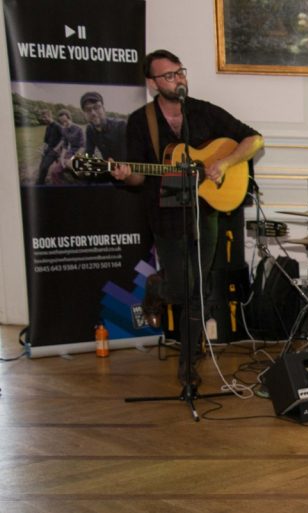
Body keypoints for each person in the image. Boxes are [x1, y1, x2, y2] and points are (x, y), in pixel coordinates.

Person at [112, 49, 263, 386]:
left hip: (205, 212)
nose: (178, 79)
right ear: (152, 83)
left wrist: (223, 164)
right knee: (181, 289)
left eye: (180, 72)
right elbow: (137, 176)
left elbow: (254, 139)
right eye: (169, 75)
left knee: (200, 287)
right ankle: (160, 284)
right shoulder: (142, 121)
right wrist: (125, 174)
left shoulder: (203, 112)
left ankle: (188, 363)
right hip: (165, 214)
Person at [80, 91, 128, 161]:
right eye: (88, 110)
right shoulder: (90, 129)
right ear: (84, 114)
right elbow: (89, 153)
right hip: (108, 168)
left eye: (96, 107)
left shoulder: (121, 126)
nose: (93, 113)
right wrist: (82, 159)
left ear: (103, 109)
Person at [49, 109, 85, 185]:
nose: (64, 124)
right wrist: (62, 158)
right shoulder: (64, 130)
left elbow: (82, 146)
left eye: (65, 121)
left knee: (77, 171)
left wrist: (73, 159)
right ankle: (61, 189)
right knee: (54, 172)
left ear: (69, 118)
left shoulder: (78, 129)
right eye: (62, 122)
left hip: (79, 153)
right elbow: (65, 146)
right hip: (70, 152)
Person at [35, 108, 62, 185]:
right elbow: (45, 141)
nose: (43, 119)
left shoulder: (58, 126)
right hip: (48, 150)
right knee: (41, 168)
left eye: (45, 117)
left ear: (50, 116)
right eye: (42, 117)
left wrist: (57, 149)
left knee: (44, 167)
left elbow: (64, 139)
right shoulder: (48, 127)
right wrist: (42, 150)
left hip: (55, 151)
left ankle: (40, 184)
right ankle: (40, 183)